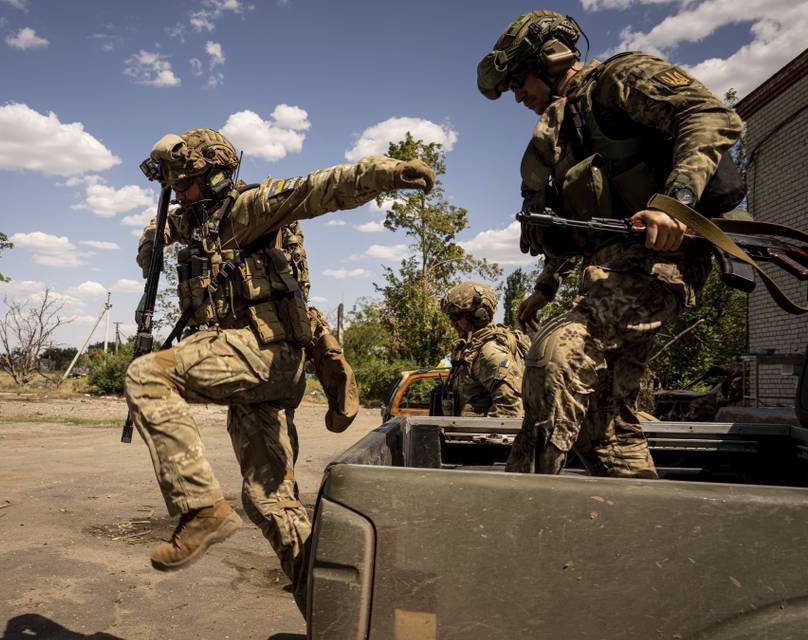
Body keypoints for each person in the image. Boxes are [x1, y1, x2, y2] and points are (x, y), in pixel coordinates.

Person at [125, 128, 434, 607]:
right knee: (268, 500)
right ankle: (335, 612)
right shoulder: (196, 219)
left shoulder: (248, 209)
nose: (178, 195)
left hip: (267, 355)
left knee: (147, 375)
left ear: (215, 175)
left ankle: (200, 508)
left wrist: (385, 173)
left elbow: (319, 188)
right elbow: (163, 229)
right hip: (257, 370)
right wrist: (154, 236)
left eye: (184, 184)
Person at [476, 11, 744, 477]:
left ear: (550, 59)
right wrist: (546, 285)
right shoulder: (560, 134)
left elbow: (709, 115)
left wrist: (674, 205)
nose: (517, 95)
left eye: (520, 80)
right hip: (609, 272)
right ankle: (640, 527)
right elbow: (575, 223)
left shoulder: (617, 79)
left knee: (557, 354)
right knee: (605, 426)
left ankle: (519, 507)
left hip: (661, 264)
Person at [440, 281, 529, 417]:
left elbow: (510, 410)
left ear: (478, 314)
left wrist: (481, 435)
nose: (452, 322)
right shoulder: (472, 348)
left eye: (456, 316)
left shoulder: (490, 352)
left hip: (480, 437)